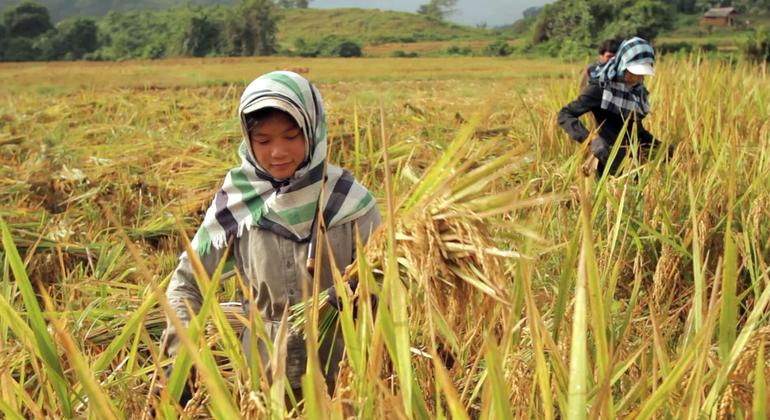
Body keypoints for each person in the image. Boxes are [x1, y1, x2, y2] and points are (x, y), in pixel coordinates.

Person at [160, 71, 381, 407]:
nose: (278, 152)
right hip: (262, 378)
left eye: (292, 137)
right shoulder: (238, 203)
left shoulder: (349, 202)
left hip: (342, 377)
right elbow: (186, 284)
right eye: (263, 141)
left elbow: (386, 277)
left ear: (313, 130)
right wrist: (181, 358)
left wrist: (355, 289)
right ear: (248, 141)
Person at [558, 37, 671, 177]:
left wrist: (661, 148)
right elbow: (565, 114)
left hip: (632, 159)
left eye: (642, 74)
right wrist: (591, 139)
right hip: (607, 158)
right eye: (634, 72)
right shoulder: (601, 88)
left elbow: (635, 130)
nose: (638, 78)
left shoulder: (636, 91)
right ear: (623, 64)